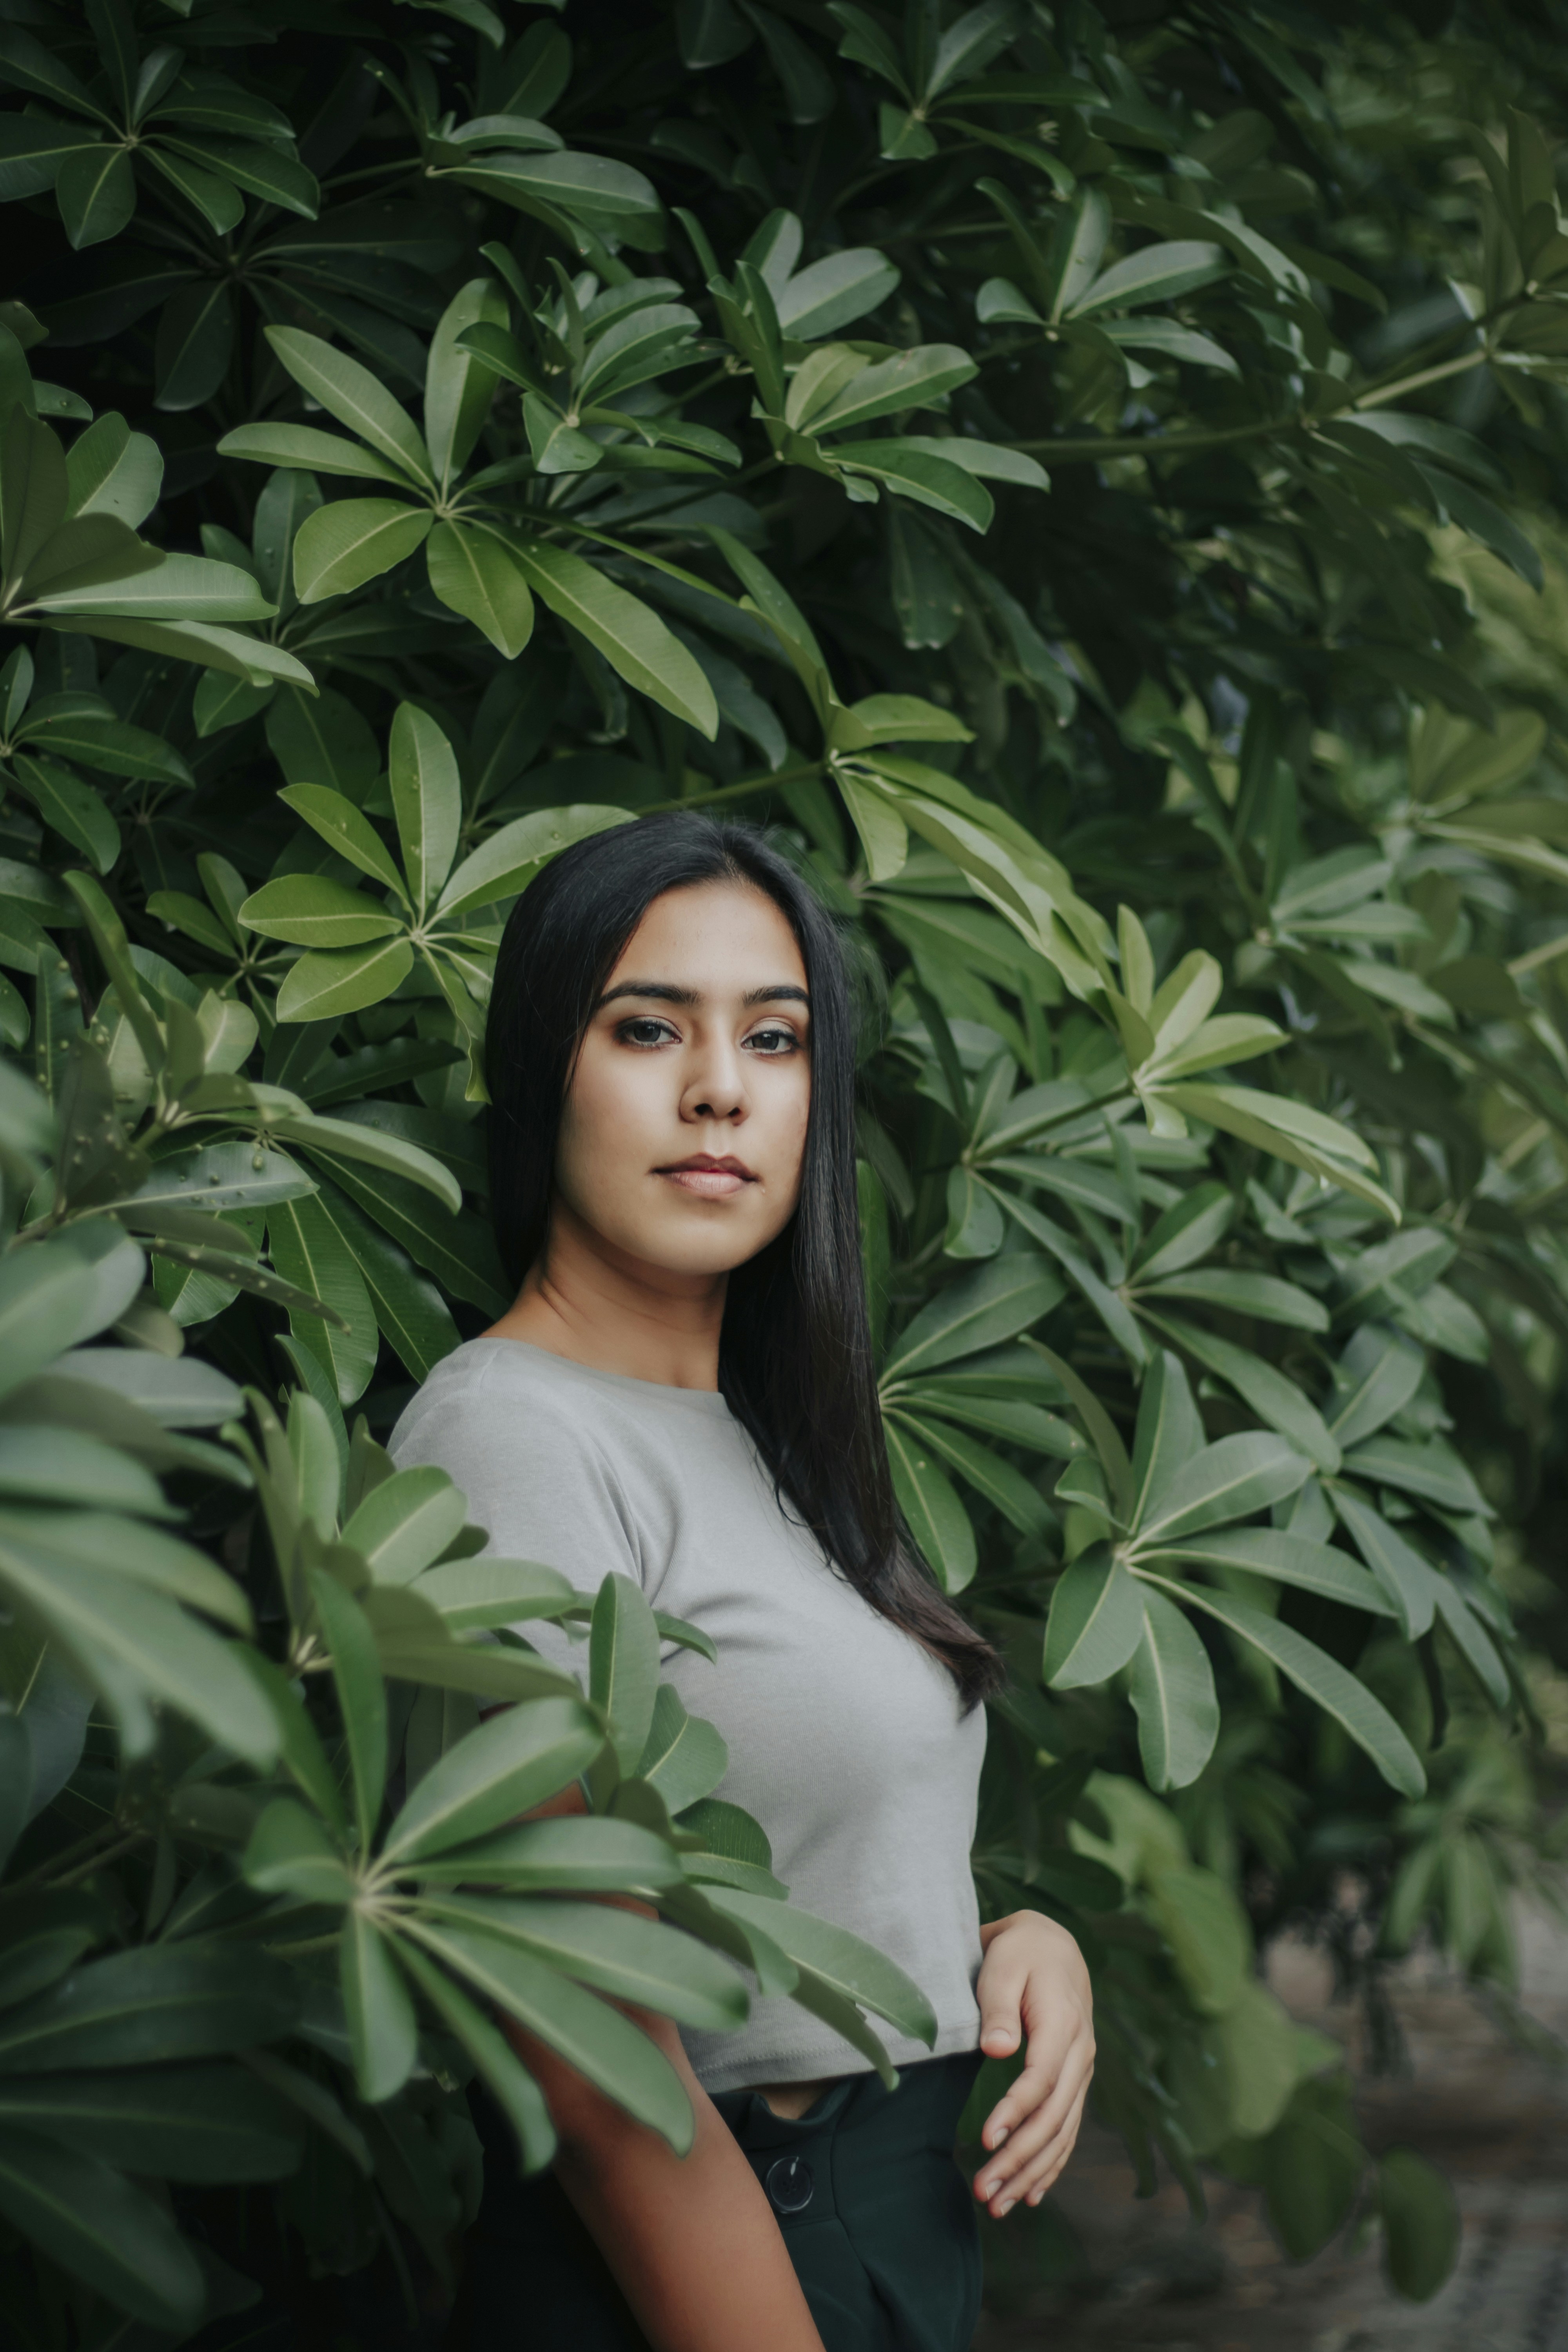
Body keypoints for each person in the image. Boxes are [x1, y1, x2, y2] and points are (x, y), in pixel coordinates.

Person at [391, 813, 1094, 2352]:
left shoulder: (782, 1442)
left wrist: (999, 1951)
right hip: (703, 2259)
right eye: (648, 1027)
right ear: (538, 1076)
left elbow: (784, 1866)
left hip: (887, 2221)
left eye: (773, 1040)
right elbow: (587, 2049)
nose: (719, 1086)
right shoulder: (510, 1435)